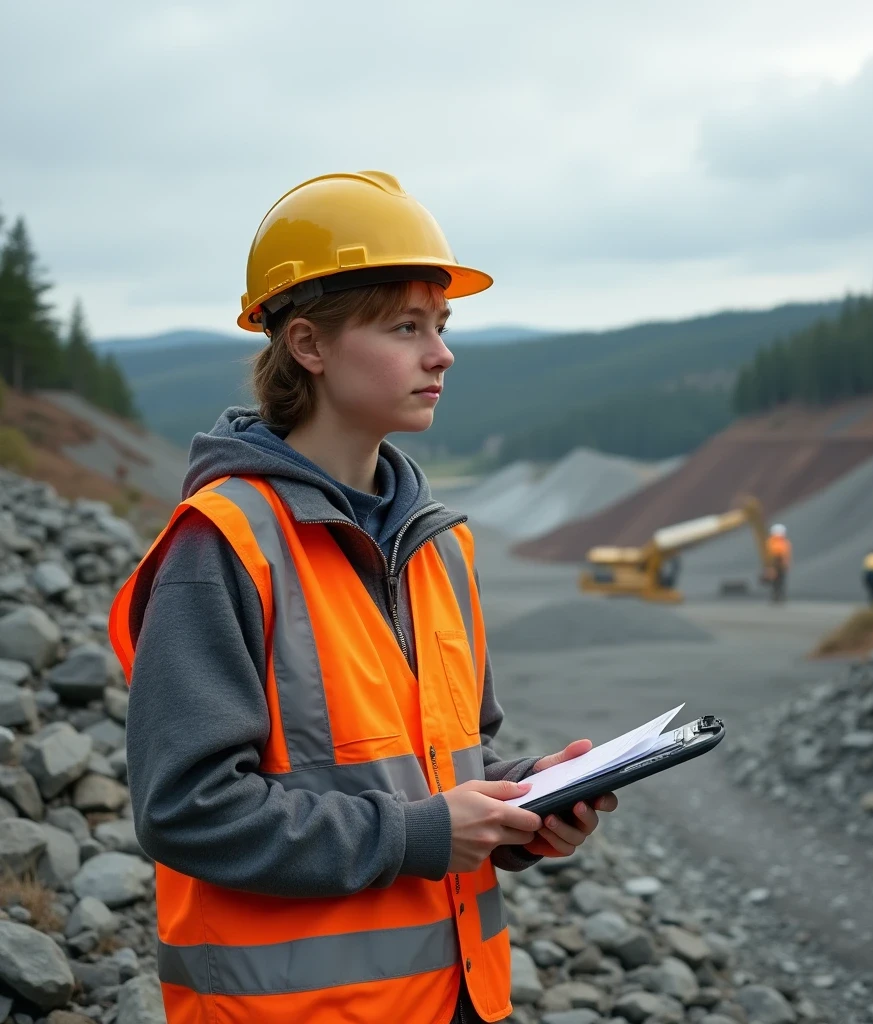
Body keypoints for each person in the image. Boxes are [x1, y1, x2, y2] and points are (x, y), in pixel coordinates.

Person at [108, 171, 617, 1024]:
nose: (441, 353)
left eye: (442, 326)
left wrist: (527, 801)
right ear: (307, 344)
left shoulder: (439, 544)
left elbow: (448, 768)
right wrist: (420, 835)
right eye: (406, 327)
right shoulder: (224, 544)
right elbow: (185, 811)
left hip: (453, 1001)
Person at [765, 523, 792, 603]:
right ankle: (778, 596)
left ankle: (777, 596)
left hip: (777, 564)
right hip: (777, 563)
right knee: (779, 581)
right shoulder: (782, 542)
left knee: (777, 581)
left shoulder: (771, 542)